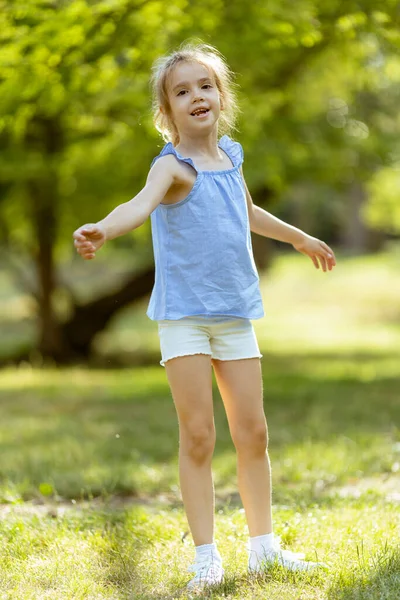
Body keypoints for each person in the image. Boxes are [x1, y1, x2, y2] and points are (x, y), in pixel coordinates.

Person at [73, 42, 335, 590]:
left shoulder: (231, 157)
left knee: (254, 432)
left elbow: (247, 210)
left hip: (235, 312)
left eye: (205, 86)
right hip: (185, 318)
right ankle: (205, 558)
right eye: (182, 91)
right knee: (198, 435)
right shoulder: (172, 165)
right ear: (166, 112)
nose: (196, 96)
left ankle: (264, 550)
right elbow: (139, 205)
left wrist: (300, 237)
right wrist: (103, 226)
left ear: (222, 95)